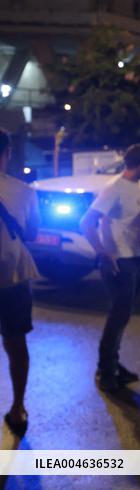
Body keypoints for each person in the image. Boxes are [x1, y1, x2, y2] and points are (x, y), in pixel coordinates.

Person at [80, 144, 140, 392]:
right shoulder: (114, 188)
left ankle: (113, 364)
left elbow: (127, 222)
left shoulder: (133, 186)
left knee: (123, 316)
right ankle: (106, 371)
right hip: (119, 263)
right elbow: (86, 222)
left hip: (133, 258)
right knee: (118, 317)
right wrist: (104, 252)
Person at [0, 128, 39, 436]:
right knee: (16, 343)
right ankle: (18, 407)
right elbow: (33, 233)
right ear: (8, 154)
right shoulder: (25, 192)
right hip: (13, 277)